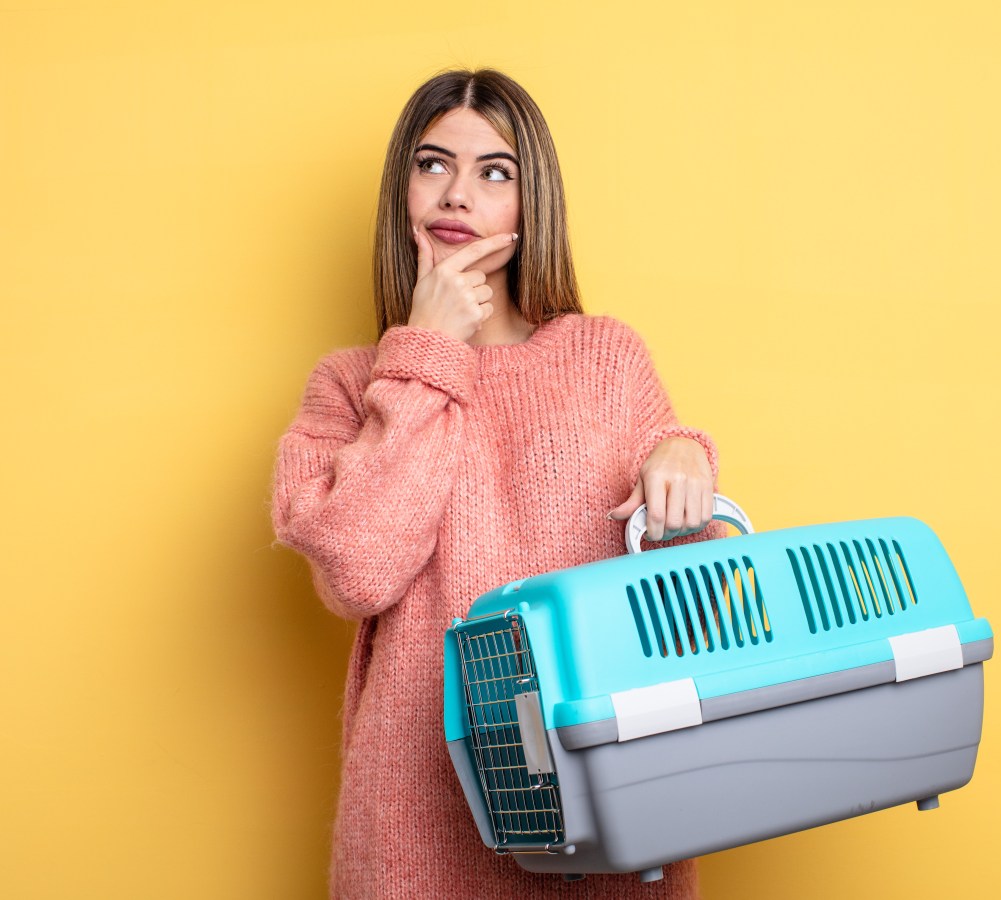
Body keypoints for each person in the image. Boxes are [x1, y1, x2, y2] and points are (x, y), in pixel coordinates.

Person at [271, 67, 725, 900]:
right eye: (433, 164)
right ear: (401, 191)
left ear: (529, 201)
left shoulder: (604, 358)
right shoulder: (348, 385)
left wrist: (685, 461)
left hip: (608, 809)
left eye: (494, 172)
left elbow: (687, 608)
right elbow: (359, 569)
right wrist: (427, 352)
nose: (456, 196)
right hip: (417, 829)